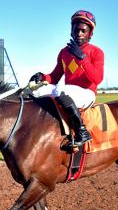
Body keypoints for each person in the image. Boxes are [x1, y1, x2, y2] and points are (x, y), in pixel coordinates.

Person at [29, 10, 104, 149]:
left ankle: (82, 132)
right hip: (67, 92)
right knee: (34, 91)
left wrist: (82, 58)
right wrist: (42, 77)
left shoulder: (96, 52)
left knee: (61, 90)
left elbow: (97, 79)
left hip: (87, 93)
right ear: (71, 30)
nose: (79, 34)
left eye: (83, 31)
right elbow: (55, 77)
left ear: (90, 33)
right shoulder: (64, 52)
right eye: (76, 30)